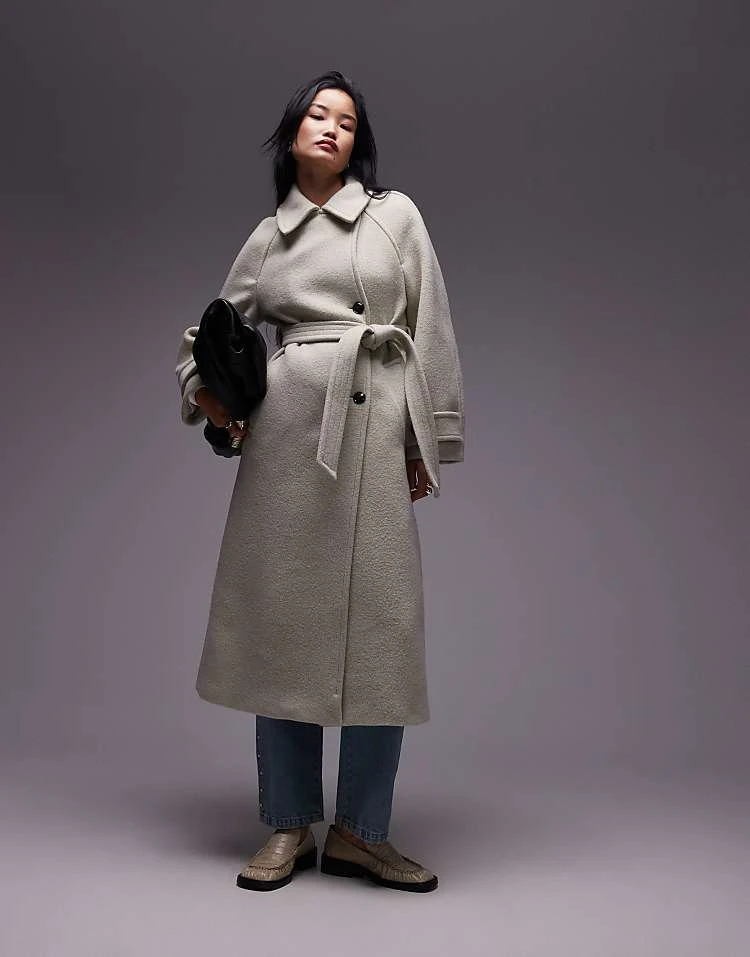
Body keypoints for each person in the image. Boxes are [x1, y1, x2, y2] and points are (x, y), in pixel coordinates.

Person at [175, 70, 465, 893]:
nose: (332, 127)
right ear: (293, 132)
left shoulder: (394, 216)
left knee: (383, 634)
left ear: (357, 143)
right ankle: (288, 823)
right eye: (317, 114)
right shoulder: (269, 238)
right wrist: (209, 395)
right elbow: (214, 332)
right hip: (289, 444)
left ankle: (362, 832)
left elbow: (429, 327)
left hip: (374, 429)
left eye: (346, 120)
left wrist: (428, 436)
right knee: (283, 628)